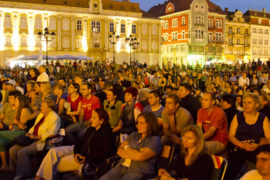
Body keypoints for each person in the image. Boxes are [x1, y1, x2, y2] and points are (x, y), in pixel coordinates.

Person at [35, 108, 114, 180]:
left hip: (87, 159)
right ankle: (38, 178)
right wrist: (76, 152)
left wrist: (86, 157)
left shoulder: (106, 133)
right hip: (78, 150)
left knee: (55, 164)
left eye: (94, 118)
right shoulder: (91, 129)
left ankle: (41, 178)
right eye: (91, 117)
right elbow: (80, 142)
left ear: (101, 120)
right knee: (52, 151)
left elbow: (105, 153)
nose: (91, 119)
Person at [99, 112, 162, 180]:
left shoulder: (155, 140)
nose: (138, 125)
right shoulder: (134, 135)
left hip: (138, 171)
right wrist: (136, 153)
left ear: (150, 124)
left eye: (142, 123)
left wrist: (126, 147)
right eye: (138, 123)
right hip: (121, 167)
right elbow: (119, 151)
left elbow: (140, 156)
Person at [10, 98, 61, 180]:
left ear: (49, 108)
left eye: (43, 106)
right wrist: (29, 133)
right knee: (12, 150)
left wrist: (37, 137)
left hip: (42, 141)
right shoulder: (41, 114)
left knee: (22, 152)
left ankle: (24, 174)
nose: (41, 107)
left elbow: (52, 132)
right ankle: (16, 170)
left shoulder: (55, 117)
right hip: (32, 138)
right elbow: (35, 126)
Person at [226, 93, 270, 180]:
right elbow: (231, 136)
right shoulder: (238, 116)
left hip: (256, 147)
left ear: (256, 104)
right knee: (231, 168)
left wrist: (257, 145)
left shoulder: (263, 118)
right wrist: (242, 145)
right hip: (239, 146)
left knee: (260, 168)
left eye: (249, 102)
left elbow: (269, 138)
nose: (245, 105)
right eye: (244, 102)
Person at [0, 95, 33, 170]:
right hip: (17, 132)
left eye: (16, 101)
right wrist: (13, 124)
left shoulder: (24, 110)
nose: (14, 102)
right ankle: (5, 165)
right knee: (1, 142)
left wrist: (16, 122)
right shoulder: (19, 109)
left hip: (23, 133)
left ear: (21, 102)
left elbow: (23, 127)